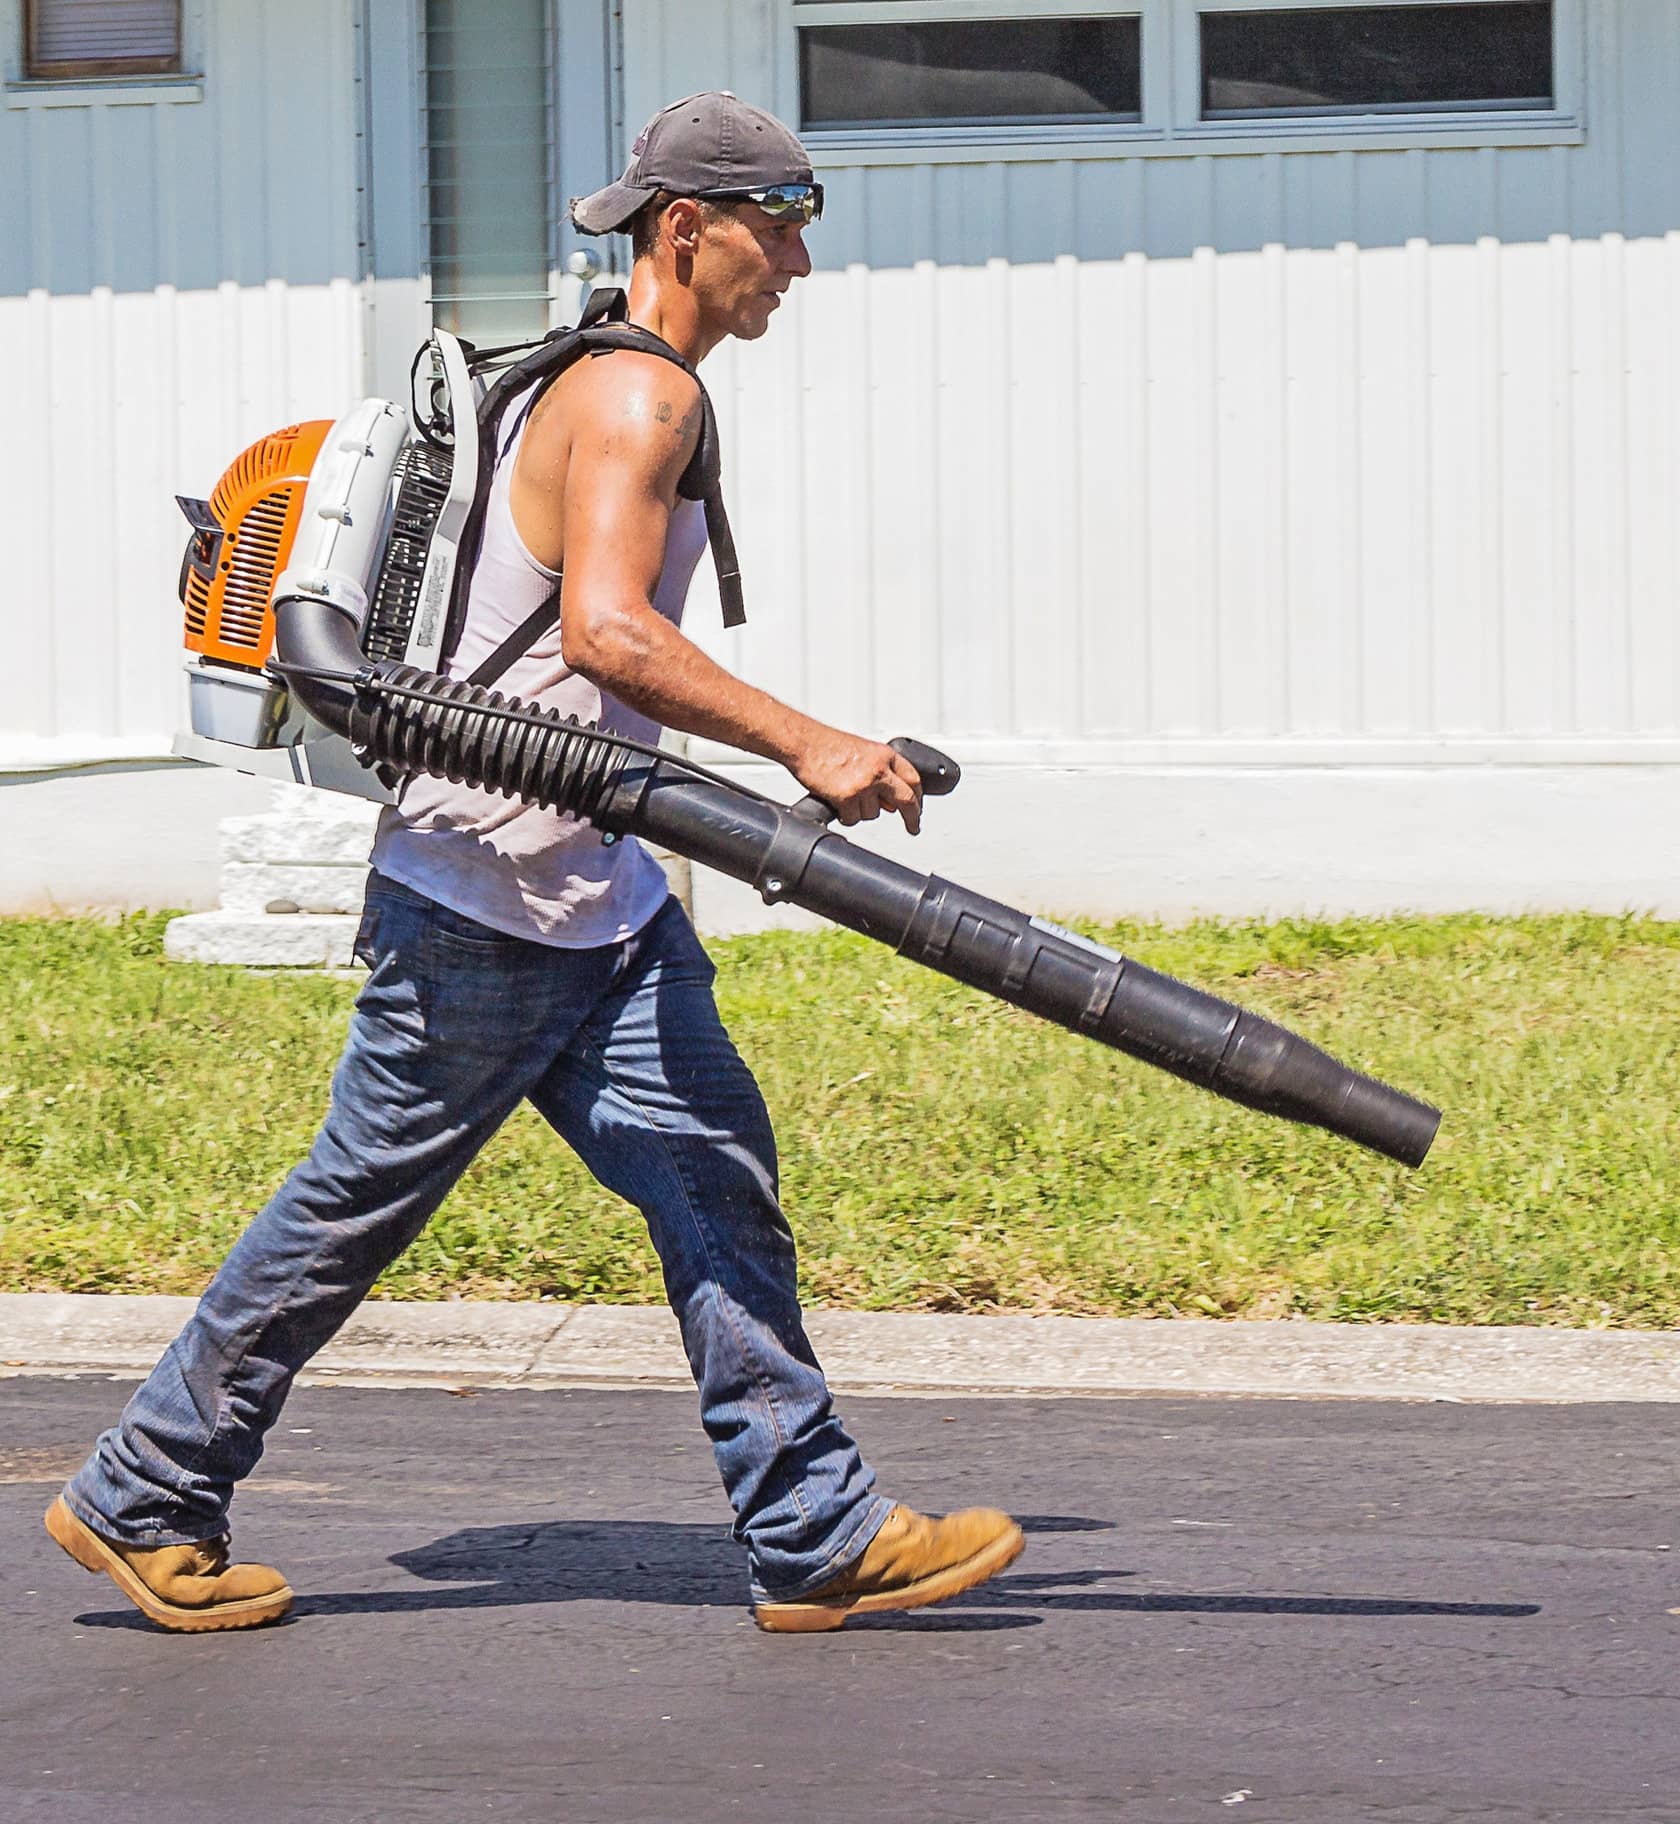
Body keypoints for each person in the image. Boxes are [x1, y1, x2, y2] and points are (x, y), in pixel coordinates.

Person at [45, 92, 1023, 1636]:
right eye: (782, 225)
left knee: (718, 1178)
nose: (799, 264)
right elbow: (609, 636)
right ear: (686, 230)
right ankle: (146, 1488)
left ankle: (814, 1528)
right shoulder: (640, 399)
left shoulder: (574, 376)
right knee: (350, 1208)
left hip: (593, 892)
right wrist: (811, 745)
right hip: (488, 897)